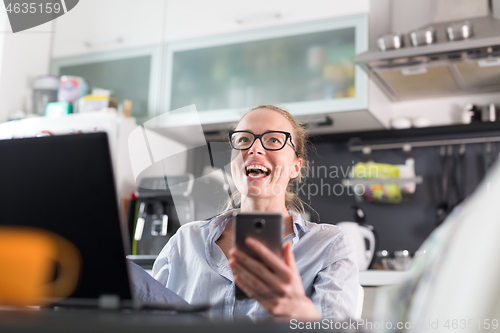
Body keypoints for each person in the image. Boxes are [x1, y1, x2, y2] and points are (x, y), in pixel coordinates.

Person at [152, 105, 359, 320]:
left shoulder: (329, 245)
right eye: (243, 140)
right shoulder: (185, 240)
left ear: (295, 168)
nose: (255, 149)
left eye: (273, 140)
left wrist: (299, 311)